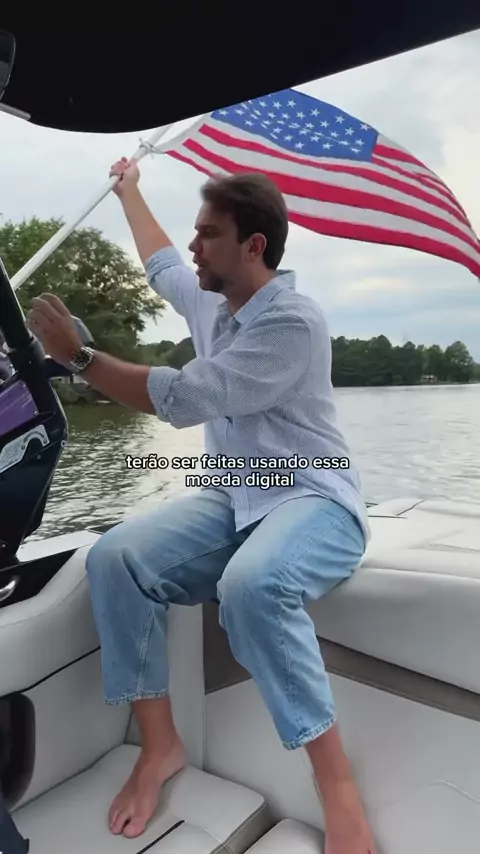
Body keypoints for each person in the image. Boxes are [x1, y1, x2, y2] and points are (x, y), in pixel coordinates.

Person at [27, 158, 375, 854]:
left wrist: (78, 357)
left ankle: (336, 785)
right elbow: (160, 262)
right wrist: (129, 190)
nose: (194, 245)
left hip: (316, 496)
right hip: (236, 494)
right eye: (196, 231)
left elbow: (187, 399)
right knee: (115, 557)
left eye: (208, 234)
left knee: (254, 585)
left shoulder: (293, 323)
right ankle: (161, 747)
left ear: (254, 246)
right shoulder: (214, 300)